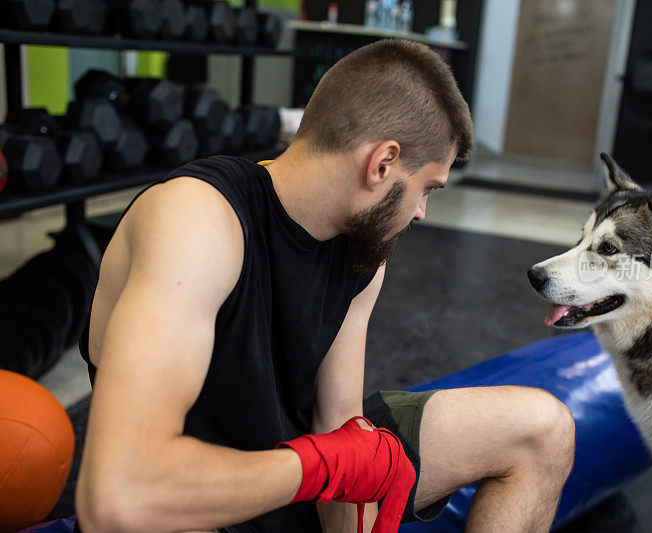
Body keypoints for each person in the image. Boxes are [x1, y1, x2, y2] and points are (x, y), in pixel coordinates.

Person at [74, 39, 575, 533]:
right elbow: (120, 496)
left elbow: (337, 424)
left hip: (296, 476)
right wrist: (319, 468)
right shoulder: (197, 219)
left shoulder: (362, 250)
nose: (422, 211)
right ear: (382, 163)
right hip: (192, 500)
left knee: (543, 430)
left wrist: (341, 476)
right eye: (426, 188)